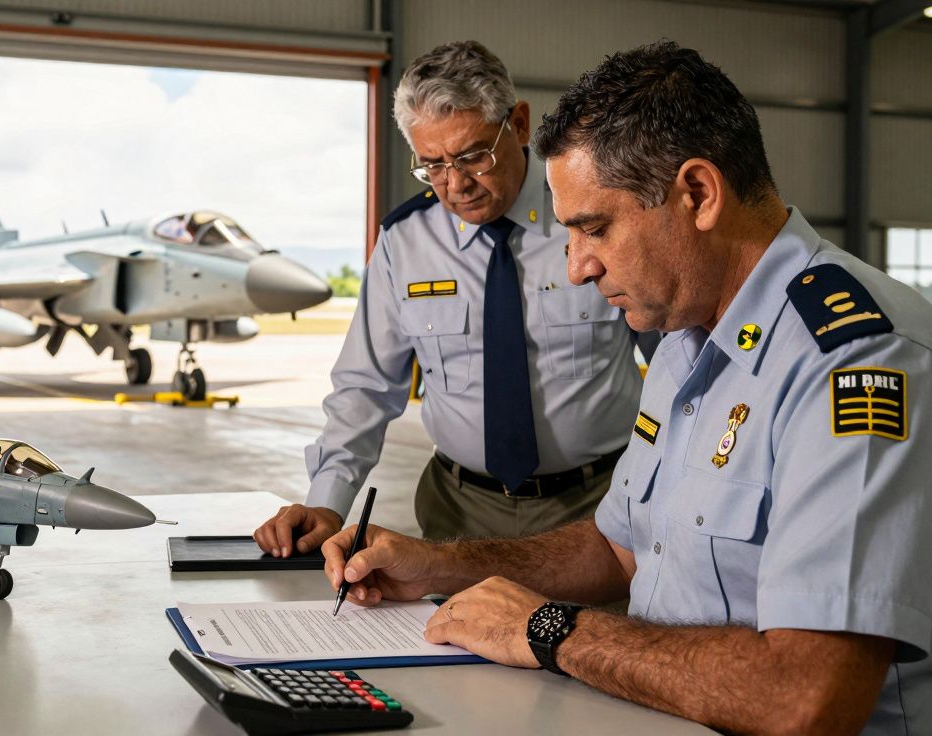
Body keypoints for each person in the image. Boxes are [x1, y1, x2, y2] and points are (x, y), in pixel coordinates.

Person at [320, 41, 932, 734]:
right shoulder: (688, 337)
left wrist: (548, 629)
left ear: (698, 194)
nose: (576, 269)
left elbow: (806, 697)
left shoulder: (857, 362)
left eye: (595, 228)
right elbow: (620, 547)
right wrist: (439, 564)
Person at [254, 41, 647, 557]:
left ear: (521, 125)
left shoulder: (592, 217)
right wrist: (328, 503)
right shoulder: (404, 242)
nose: (456, 184)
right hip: (457, 512)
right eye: (432, 165)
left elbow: (682, 363)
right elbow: (366, 387)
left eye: (473, 155)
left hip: (597, 510)